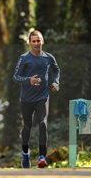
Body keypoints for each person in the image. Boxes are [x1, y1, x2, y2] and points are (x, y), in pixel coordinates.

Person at [13, 29, 60, 168]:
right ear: (29, 43)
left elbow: (56, 70)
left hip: (43, 96)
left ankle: (42, 157)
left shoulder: (49, 57)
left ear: (42, 41)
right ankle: (25, 154)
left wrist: (56, 82)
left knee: (43, 124)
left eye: (38, 40)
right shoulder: (24, 58)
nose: (36, 43)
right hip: (26, 99)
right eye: (33, 41)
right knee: (27, 126)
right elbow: (15, 77)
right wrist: (29, 80)